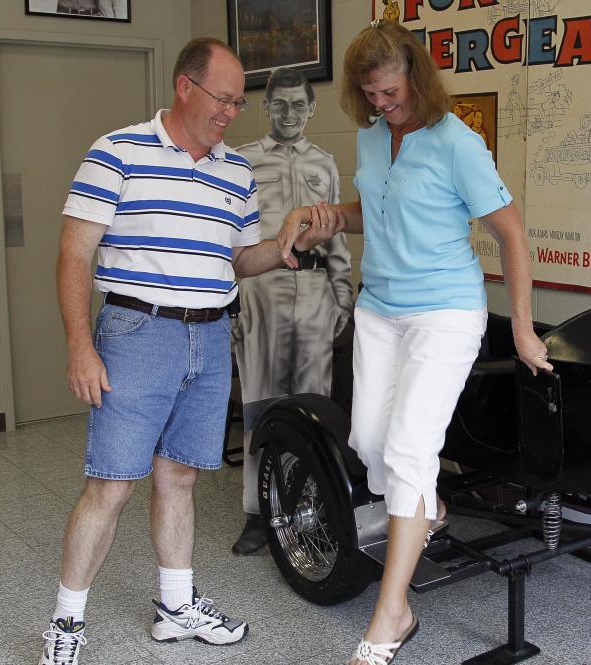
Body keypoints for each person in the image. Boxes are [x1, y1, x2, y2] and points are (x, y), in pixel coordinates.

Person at [39, 37, 333, 665]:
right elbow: (73, 255)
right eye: (222, 99)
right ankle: (66, 624)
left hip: (209, 335)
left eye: (237, 103)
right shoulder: (116, 152)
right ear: (183, 86)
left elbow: (238, 259)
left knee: (180, 478)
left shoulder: (235, 173)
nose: (231, 112)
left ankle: (176, 609)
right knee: (111, 485)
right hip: (137, 334)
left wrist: (280, 242)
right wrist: (79, 347)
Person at [277, 19, 552, 665]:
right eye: (370, 93)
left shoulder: (458, 143)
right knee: (371, 443)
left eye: (391, 91)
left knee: (406, 448)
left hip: (446, 312)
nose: (381, 103)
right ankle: (426, 507)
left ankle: (391, 614)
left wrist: (519, 324)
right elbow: (372, 212)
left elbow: (512, 234)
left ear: (417, 79)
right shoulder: (374, 140)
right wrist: (324, 220)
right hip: (380, 310)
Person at [230, 67, 355, 555]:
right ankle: (258, 513)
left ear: (311, 108)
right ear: (265, 108)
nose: (288, 114)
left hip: (315, 292)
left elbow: (338, 234)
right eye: (278, 105)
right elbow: (234, 240)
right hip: (263, 288)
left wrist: (342, 294)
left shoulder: (324, 163)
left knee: (313, 406)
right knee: (261, 404)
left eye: (297, 105)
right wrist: (234, 305)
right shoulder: (243, 162)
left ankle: (308, 502)